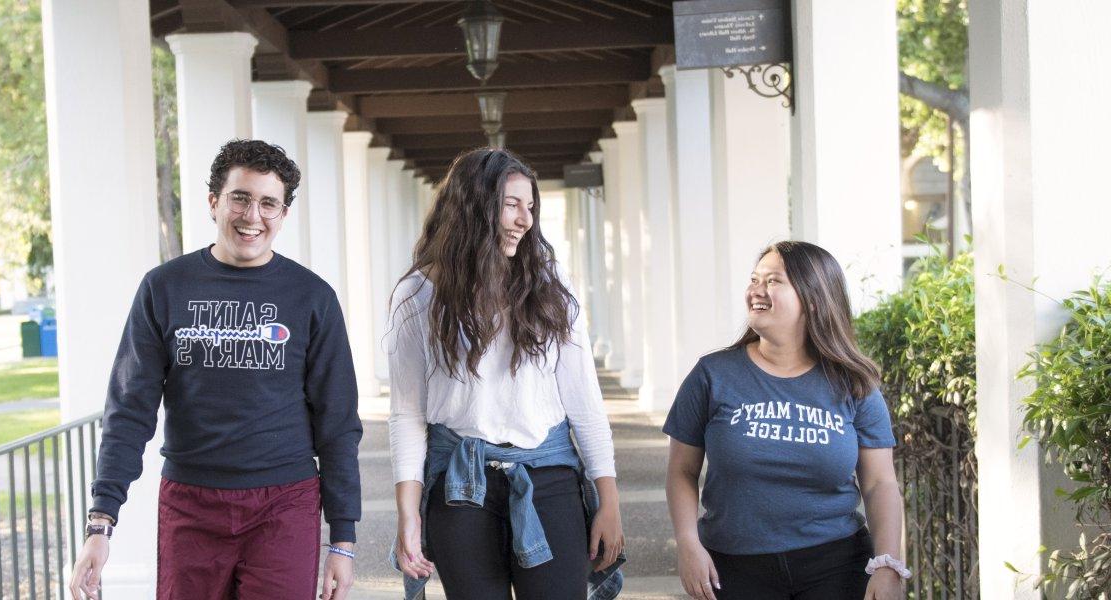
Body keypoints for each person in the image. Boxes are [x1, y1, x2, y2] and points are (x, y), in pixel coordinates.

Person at [68, 139, 363, 600]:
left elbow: (338, 421)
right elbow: (129, 409)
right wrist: (101, 522)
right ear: (213, 202)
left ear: (283, 214)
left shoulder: (311, 298)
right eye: (240, 198)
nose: (253, 216)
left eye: (269, 203)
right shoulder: (164, 288)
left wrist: (343, 540)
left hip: (284, 503)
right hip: (192, 502)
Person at [386, 148, 625, 599]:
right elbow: (406, 415)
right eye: (511, 204)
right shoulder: (417, 294)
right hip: (461, 486)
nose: (525, 220)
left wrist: (608, 499)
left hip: (549, 476)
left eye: (530, 206)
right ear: (474, 206)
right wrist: (408, 513)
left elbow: (585, 404)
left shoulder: (551, 287)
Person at [664, 241, 908, 600]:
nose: (756, 291)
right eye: (754, 279)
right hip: (733, 566)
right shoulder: (712, 375)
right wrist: (687, 543)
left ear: (813, 298)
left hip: (836, 565)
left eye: (773, 281)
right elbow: (681, 470)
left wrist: (887, 564)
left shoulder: (854, 383)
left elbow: (880, 484)